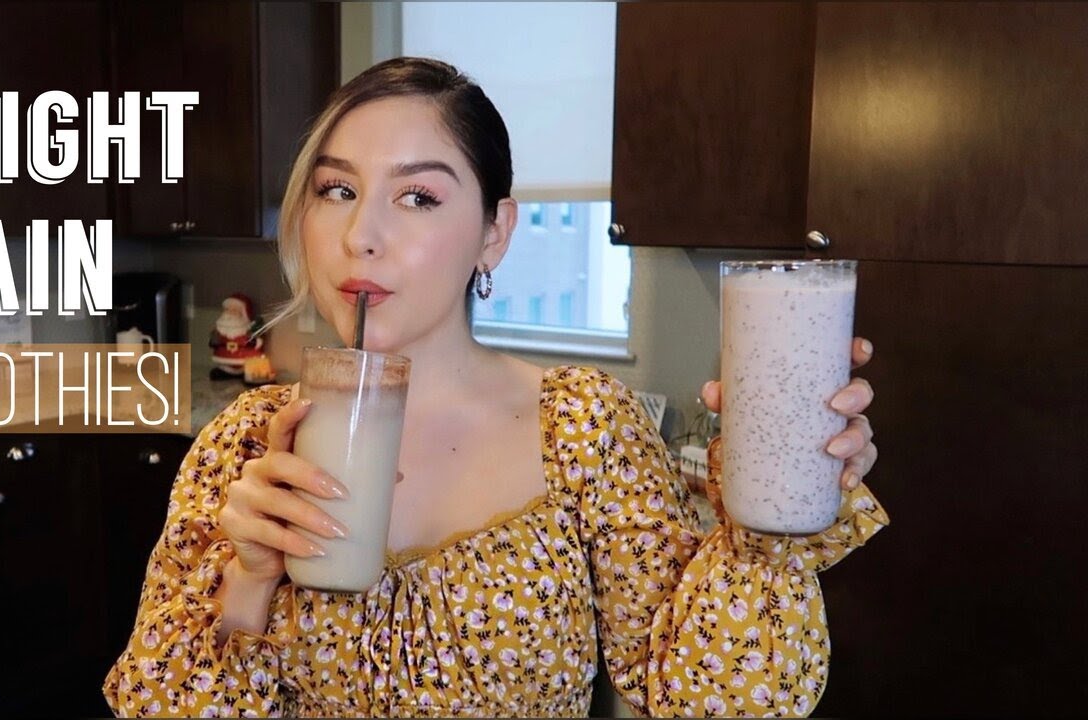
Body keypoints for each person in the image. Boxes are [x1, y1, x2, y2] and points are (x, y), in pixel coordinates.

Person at [103, 57, 887, 718]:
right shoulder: (243, 447)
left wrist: (771, 515)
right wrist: (248, 581)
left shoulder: (582, 428)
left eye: (418, 196)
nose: (359, 236)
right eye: (336, 190)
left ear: (495, 232)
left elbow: (705, 701)